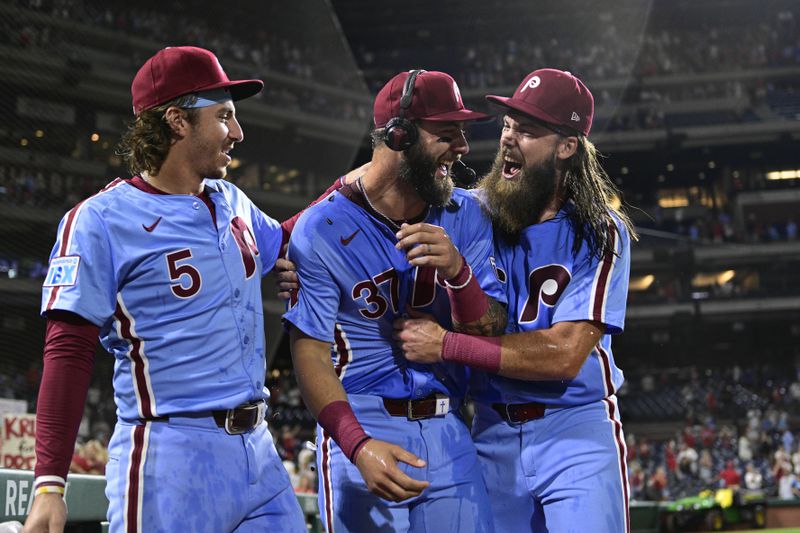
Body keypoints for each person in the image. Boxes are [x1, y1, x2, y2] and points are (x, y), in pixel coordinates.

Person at [24, 46, 308, 533]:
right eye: (224, 117)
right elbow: (68, 352)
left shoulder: (232, 200)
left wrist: (354, 188)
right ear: (178, 121)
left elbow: (287, 238)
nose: (237, 133)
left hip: (259, 452)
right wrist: (50, 482)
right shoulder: (100, 220)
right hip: (170, 457)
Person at [394, 68, 637, 532]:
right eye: (507, 124)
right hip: (489, 431)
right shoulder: (476, 210)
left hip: (575, 430)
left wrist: (447, 345)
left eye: (526, 130)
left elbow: (565, 355)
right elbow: (376, 189)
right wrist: (290, 243)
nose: (507, 138)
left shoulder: (598, 230)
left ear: (566, 146)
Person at [283, 69, 507, 532]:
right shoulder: (322, 228)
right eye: (447, 134)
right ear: (398, 135)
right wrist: (356, 444)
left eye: (462, 134)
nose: (463, 147)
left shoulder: (467, 214)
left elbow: (490, 330)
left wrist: (459, 275)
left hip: (450, 428)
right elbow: (310, 354)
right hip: (362, 421)